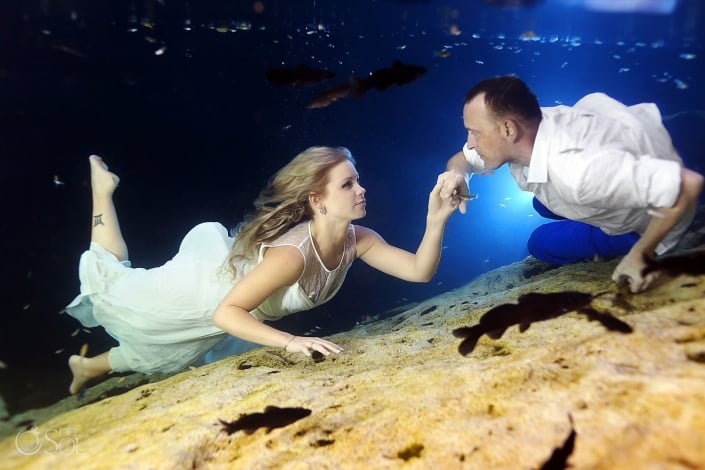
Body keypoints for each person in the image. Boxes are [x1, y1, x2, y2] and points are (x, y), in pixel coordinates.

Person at [66, 148, 462, 395]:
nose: (361, 189)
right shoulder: (291, 256)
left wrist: (436, 220)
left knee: (161, 355)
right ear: (317, 200)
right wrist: (290, 342)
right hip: (201, 292)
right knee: (115, 287)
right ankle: (102, 189)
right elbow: (226, 312)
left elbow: (417, 272)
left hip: (234, 310)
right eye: (348, 184)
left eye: (357, 181)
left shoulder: (360, 239)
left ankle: (83, 366)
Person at [441, 75, 703, 293]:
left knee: (540, 243)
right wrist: (458, 175)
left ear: (509, 130)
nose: (471, 143)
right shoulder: (532, 123)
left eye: (475, 132)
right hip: (617, 171)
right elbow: (461, 158)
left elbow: (687, 185)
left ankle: (620, 239)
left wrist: (641, 254)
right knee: (540, 204)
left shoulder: (580, 172)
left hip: (644, 222)